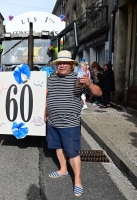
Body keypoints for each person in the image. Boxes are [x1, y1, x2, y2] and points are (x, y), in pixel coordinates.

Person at [44, 50, 102, 197]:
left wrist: (89, 83)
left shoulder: (79, 78)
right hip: (53, 122)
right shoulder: (51, 78)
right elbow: (48, 97)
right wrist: (46, 111)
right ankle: (63, 170)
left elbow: (98, 93)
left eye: (65, 63)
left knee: (73, 152)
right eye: (59, 63)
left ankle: (77, 180)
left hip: (70, 124)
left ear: (71, 65)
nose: (62, 65)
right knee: (58, 147)